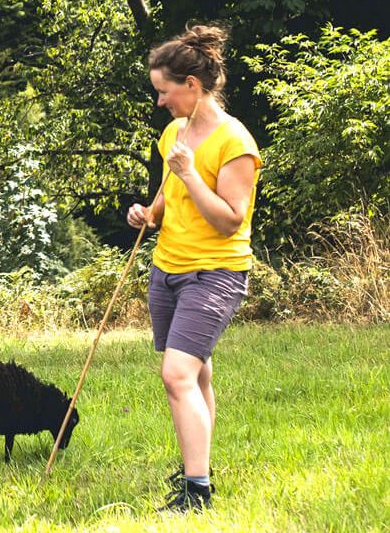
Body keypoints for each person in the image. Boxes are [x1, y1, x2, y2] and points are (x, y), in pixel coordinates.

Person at [126, 25, 262, 512]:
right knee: (196, 375)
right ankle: (196, 470)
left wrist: (187, 172)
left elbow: (229, 220)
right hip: (168, 270)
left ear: (192, 86)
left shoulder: (235, 143)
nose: (160, 102)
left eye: (164, 92)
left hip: (216, 273)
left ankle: (196, 493)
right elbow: (170, 197)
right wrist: (149, 212)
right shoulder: (173, 134)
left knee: (176, 374)